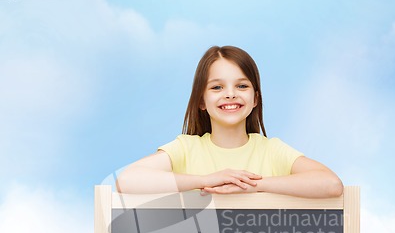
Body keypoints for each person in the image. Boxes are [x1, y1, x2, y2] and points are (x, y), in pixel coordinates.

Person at [116, 46, 343, 198]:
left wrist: (254, 186)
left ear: (255, 99)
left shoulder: (271, 150)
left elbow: (331, 185)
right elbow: (126, 181)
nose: (230, 94)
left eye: (241, 86)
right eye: (217, 87)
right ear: (201, 101)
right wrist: (207, 180)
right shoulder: (186, 149)